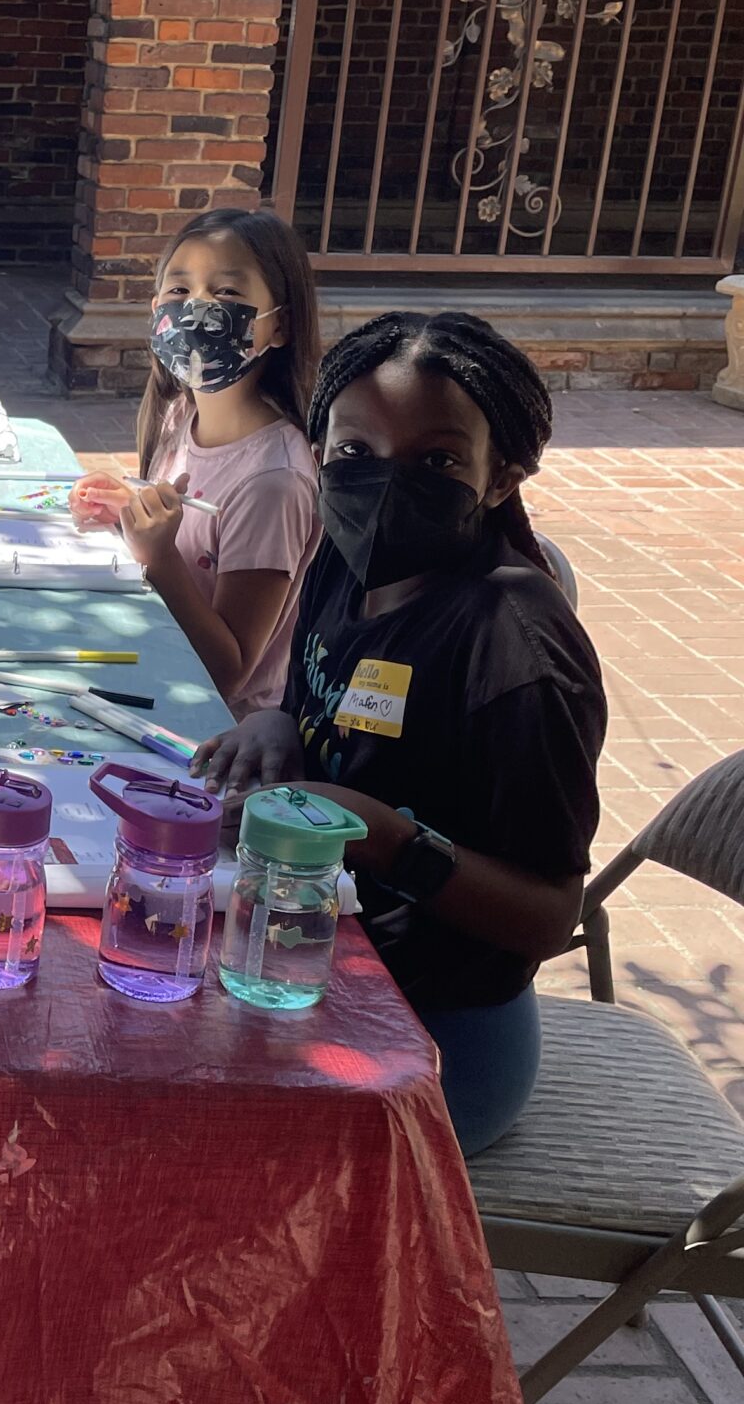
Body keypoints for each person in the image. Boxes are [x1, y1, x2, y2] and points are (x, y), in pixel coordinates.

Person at [196, 309, 607, 1159]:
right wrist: (278, 720)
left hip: (435, 1041)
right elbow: (331, 701)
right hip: (314, 959)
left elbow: (547, 917)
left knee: (191, 1133)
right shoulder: (347, 561)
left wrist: (383, 838)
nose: (385, 482)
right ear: (319, 449)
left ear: (500, 478)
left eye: (438, 460)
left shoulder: (512, 650)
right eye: (355, 450)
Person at [69, 208, 321, 715]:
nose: (196, 309)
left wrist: (157, 556)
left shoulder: (273, 483)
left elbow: (229, 671)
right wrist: (129, 512)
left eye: (226, 292)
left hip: (213, 727)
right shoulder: (180, 417)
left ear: (280, 325)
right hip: (158, 672)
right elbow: (189, 542)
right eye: (180, 290)